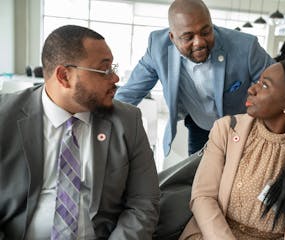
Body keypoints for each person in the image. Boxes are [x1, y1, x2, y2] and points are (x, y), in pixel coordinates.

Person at [0, 25, 160, 240]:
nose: (114, 79)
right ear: (64, 76)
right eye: (104, 70)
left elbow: (143, 202)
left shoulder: (127, 121)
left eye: (112, 68)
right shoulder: (5, 117)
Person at [180, 60, 285, 239]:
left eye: (264, 85)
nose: (251, 89)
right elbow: (203, 197)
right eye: (258, 81)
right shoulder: (226, 129)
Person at [114, 0, 274, 156]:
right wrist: (104, 120)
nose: (199, 42)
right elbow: (130, 93)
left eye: (205, 32)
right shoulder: (157, 47)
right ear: (172, 37)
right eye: (188, 37)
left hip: (240, 129)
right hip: (199, 126)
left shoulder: (245, 46)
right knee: (199, 178)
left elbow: (278, 84)